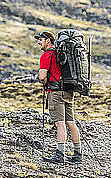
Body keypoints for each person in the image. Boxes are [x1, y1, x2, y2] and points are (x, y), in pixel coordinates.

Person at [34, 31, 82, 164]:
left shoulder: (46, 55)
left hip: (55, 92)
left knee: (59, 123)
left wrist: (44, 83)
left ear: (48, 41)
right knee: (70, 122)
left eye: (41, 39)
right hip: (68, 91)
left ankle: (60, 154)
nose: (38, 42)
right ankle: (78, 154)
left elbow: (42, 76)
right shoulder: (62, 53)